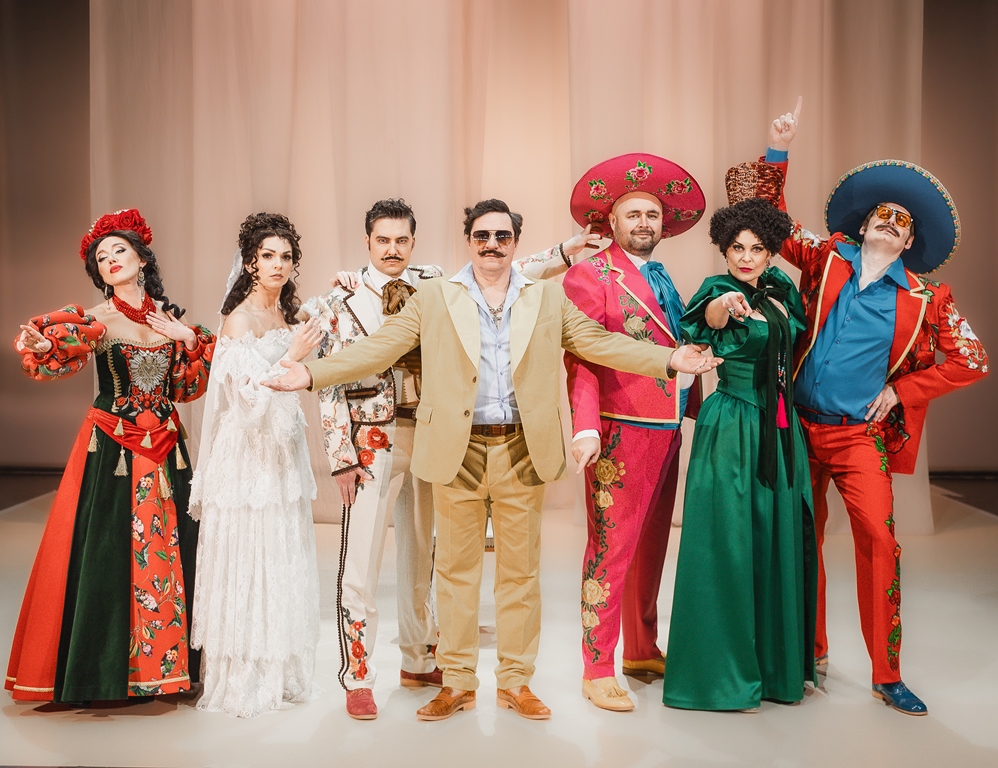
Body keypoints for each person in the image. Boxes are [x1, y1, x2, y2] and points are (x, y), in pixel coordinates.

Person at [262, 198, 720, 722]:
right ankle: (456, 682)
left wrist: (668, 358)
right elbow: (381, 348)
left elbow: (599, 342)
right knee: (454, 574)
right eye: (482, 236)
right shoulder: (436, 296)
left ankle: (515, 682)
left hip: (521, 449)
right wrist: (311, 374)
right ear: (469, 241)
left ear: (514, 242)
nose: (492, 245)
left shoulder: (545, 298)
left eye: (502, 236)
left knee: (520, 576)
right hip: (457, 451)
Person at [310, 198, 600, 720]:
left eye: (402, 240)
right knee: (361, 565)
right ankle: (358, 675)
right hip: (371, 440)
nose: (392, 249)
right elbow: (334, 373)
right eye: (383, 241)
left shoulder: (434, 283)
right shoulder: (340, 299)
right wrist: (339, 455)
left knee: (427, 559)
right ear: (367, 242)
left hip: (434, 436)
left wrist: (563, 251)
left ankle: (420, 659)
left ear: (413, 242)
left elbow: (506, 270)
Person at [765, 102, 988, 715]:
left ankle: (887, 674)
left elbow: (972, 359)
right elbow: (771, 220)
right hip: (798, 428)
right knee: (800, 540)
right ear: (863, 226)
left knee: (880, 543)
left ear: (910, 242)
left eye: (901, 223)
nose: (889, 225)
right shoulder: (827, 257)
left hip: (858, 437)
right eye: (881, 217)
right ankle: (809, 654)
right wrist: (779, 147)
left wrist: (903, 391)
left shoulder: (927, 296)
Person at [6, 209, 214, 703]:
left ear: (142, 258)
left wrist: (188, 340)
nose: (111, 260)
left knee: (176, 548)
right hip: (113, 447)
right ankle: (104, 672)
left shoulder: (171, 320)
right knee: (107, 552)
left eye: (119, 250)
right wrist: (42, 343)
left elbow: (187, 389)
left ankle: (172, 669)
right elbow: (54, 354)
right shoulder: (97, 320)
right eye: (101, 257)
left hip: (167, 450)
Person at [662, 171, 818, 711]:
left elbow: (795, 344)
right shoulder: (717, 290)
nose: (746, 257)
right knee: (726, 543)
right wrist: (725, 306)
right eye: (736, 248)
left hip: (780, 429)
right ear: (724, 250)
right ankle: (721, 675)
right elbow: (707, 319)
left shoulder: (782, 291)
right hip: (732, 425)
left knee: (776, 537)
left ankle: (776, 670)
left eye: (756, 249)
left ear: (771, 252)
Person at [562, 153, 705, 711]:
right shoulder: (590, 274)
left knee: (652, 544)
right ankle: (596, 666)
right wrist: (585, 427)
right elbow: (580, 357)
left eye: (652, 215)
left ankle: (642, 649)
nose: (644, 223)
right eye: (633, 214)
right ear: (612, 222)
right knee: (611, 548)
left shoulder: (660, 274)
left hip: (667, 425)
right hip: (620, 429)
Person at [189, 212, 323, 718]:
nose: (278, 264)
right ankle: (243, 676)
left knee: (280, 554)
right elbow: (245, 399)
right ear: (250, 262)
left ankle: (278, 671)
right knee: (249, 554)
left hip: (281, 454)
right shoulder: (239, 320)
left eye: (285, 256)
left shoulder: (287, 315)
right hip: (246, 457)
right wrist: (292, 355)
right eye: (268, 255)